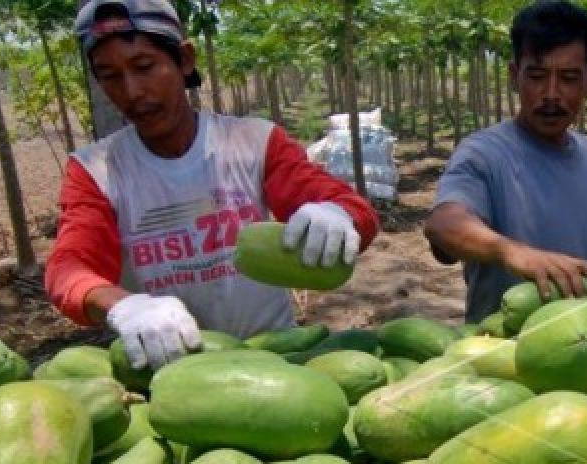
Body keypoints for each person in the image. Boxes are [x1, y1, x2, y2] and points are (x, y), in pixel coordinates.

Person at [46, 0, 379, 369]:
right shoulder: (96, 170)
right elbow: (68, 269)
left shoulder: (254, 142)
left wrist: (339, 214)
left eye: (144, 66)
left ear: (184, 60)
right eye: (109, 76)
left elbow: (352, 210)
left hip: (277, 362)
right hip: (172, 373)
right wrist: (123, 305)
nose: (132, 91)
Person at [424, 0, 587, 323]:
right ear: (515, 76)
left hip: (586, 349)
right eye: (537, 76)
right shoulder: (484, 153)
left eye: (569, 77)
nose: (551, 94)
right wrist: (513, 253)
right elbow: (443, 225)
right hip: (502, 359)